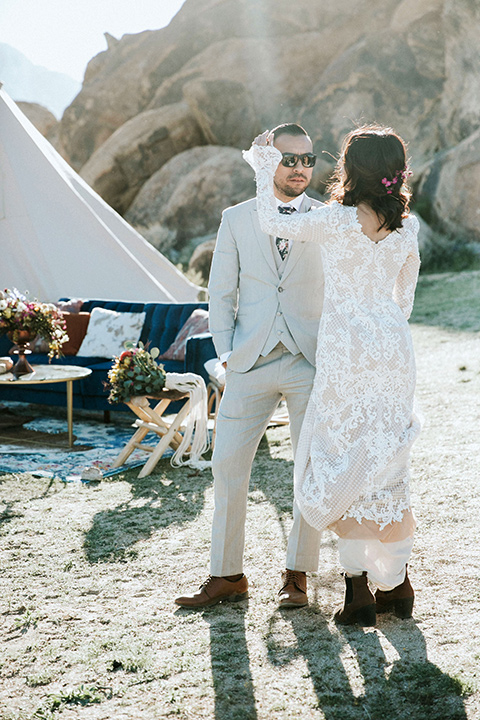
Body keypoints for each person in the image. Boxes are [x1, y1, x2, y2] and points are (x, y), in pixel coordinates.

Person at [242, 124, 421, 627]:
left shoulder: (335, 222)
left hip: (346, 348)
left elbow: (269, 219)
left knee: (343, 455)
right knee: (388, 457)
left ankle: (359, 591)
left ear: (351, 168)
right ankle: (397, 585)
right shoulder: (409, 227)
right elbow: (403, 298)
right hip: (391, 346)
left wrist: (262, 163)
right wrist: (382, 319)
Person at [175, 123, 325, 609]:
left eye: (308, 159)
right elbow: (220, 292)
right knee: (228, 467)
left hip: (309, 359)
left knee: (308, 470)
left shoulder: (328, 220)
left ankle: (297, 575)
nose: (300, 168)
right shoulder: (237, 219)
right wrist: (225, 354)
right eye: (289, 158)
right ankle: (227, 575)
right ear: (267, 163)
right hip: (249, 362)